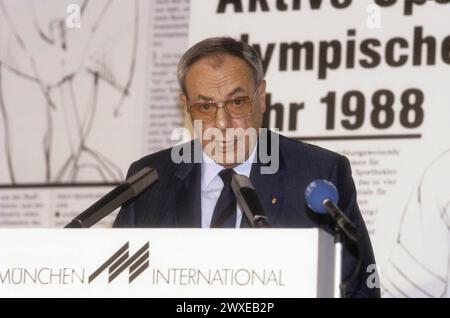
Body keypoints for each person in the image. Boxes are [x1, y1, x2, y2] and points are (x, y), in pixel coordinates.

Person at [113, 37, 380, 298]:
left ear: (261, 97)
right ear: (187, 107)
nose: (222, 123)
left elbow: (360, 288)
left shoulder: (318, 172)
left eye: (237, 103)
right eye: (205, 106)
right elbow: (114, 285)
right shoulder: (150, 179)